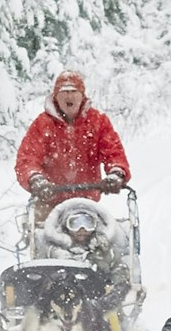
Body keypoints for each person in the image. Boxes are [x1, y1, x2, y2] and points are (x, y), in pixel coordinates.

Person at [13, 69, 128, 248]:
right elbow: (27, 158)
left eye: (74, 92)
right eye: (64, 92)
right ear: (56, 96)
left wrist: (116, 172)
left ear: (82, 96)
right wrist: (36, 179)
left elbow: (113, 151)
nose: (69, 96)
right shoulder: (43, 124)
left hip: (87, 202)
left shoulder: (98, 121)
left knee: (108, 246)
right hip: (50, 201)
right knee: (42, 242)